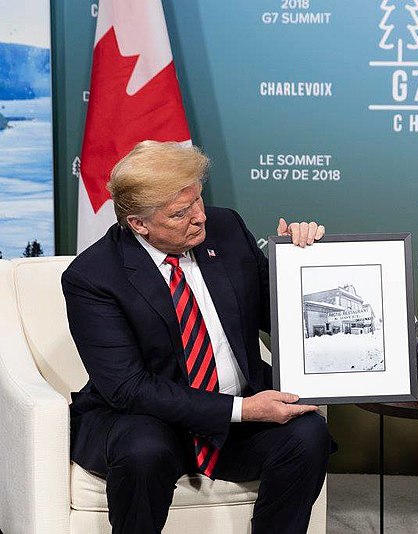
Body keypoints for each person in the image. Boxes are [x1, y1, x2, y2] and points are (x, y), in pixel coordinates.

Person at [62, 140, 333, 534]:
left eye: (199, 200)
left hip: (239, 415)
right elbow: (129, 388)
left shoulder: (227, 230)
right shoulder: (93, 277)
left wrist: (297, 262)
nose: (200, 217)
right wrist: (243, 409)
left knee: (308, 436)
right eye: (179, 213)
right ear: (138, 223)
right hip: (148, 419)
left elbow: (280, 319)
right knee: (143, 452)